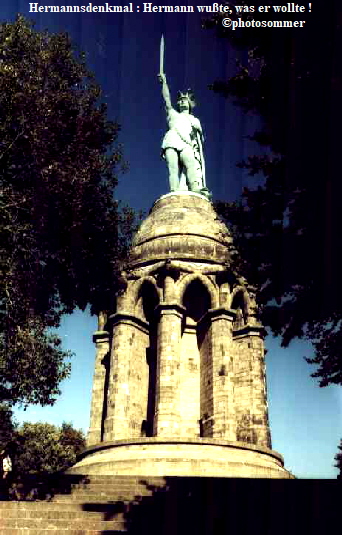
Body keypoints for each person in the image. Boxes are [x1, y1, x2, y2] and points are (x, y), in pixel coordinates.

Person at [158, 73, 209, 198]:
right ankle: (174, 191)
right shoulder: (173, 114)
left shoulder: (194, 120)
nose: (181, 102)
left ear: (190, 103)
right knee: (173, 167)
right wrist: (164, 82)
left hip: (187, 144)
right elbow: (166, 99)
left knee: (190, 163)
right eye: (180, 101)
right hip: (172, 140)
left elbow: (199, 139)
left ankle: (195, 187)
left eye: (184, 100)